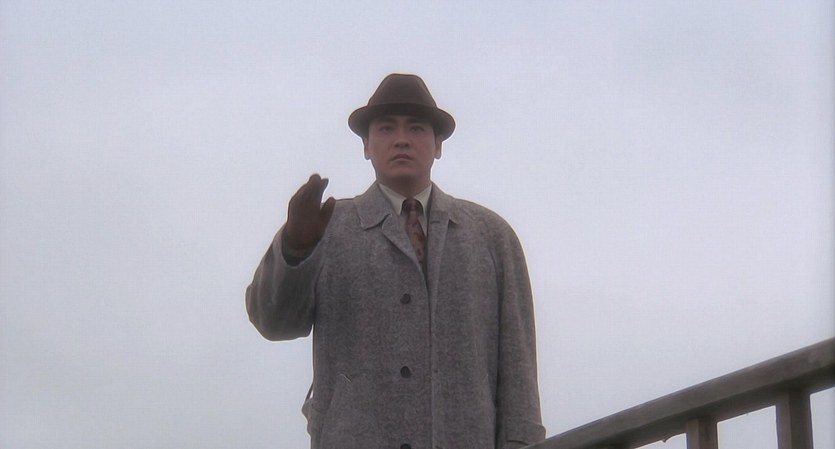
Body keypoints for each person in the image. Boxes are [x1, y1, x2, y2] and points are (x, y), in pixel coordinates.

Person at [246, 74, 546, 449]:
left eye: (416, 128)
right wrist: (295, 249)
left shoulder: (491, 236)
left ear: (438, 145)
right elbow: (273, 323)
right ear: (366, 146)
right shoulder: (325, 227)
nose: (401, 139)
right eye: (386, 128)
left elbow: (518, 369)